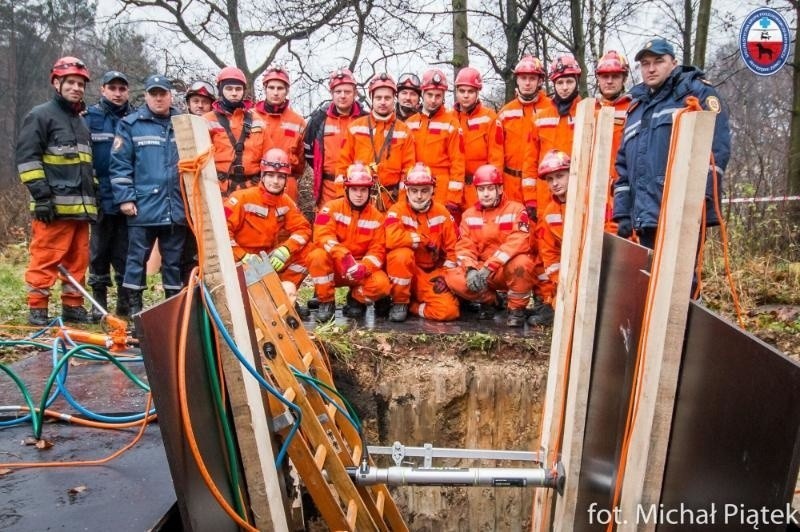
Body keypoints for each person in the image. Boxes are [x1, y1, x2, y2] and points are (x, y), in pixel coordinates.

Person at [613, 38, 731, 249]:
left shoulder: (696, 93)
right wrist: (622, 212)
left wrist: (701, 195)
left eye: (658, 61)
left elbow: (717, 146)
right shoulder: (636, 107)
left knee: (681, 281)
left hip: (683, 210)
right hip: (646, 215)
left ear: (674, 63)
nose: (651, 69)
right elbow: (623, 164)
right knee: (651, 280)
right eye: (645, 64)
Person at [16, 56, 97, 325]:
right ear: (56, 83)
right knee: (46, 256)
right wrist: (41, 196)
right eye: (71, 83)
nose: (76, 88)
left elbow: (85, 166)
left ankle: (73, 306)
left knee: (78, 259)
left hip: (81, 209)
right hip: (53, 207)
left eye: (80, 84)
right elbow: (28, 159)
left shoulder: (80, 122)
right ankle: (37, 307)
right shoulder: (41, 115)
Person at [110, 75, 186, 318]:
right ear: (145, 96)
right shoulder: (131, 124)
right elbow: (120, 164)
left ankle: (173, 313)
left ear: (170, 95)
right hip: (143, 207)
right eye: (153, 94)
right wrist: (125, 198)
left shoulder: (183, 124)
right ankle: (135, 313)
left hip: (175, 206)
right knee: (136, 261)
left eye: (162, 93)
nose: (158, 98)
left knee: (173, 263)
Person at [225, 148, 311, 318]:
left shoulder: (285, 201)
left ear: (286, 179)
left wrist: (285, 250)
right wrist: (242, 256)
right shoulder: (240, 198)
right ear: (263, 175)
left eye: (280, 177)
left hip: (268, 257)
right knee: (253, 303)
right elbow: (222, 233)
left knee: (310, 253)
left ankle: (283, 295)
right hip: (241, 260)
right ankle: (266, 298)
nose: (275, 181)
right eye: (271, 175)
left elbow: (304, 228)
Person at [445, 164, 535, 327]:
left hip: (505, 269)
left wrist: (490, 266)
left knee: (522, 263)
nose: (485, 194)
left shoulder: (516, 209)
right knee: (452, 277)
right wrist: (471, 269)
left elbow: (519, 240)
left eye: (490, 189)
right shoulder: (468, 215)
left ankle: (516, 310)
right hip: (482, 271)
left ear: (500, 189)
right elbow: (465, 247)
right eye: (481, 189)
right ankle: (492, 301)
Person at [308, 163, 391, 322]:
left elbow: (378, 251)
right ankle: (326, 301)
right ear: (346, 189)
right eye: (354, 189)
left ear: (369, 191)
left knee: (382, 285)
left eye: (363, 190)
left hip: (359, 269)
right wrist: (342, 254)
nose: (359, 194)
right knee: (317, 256)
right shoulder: (329, 209)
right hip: (337, 266)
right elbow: (321, 235)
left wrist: (364, 267)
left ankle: (356, 298)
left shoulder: (378, 218)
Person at [84, 70, 135, 320]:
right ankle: (99, 304)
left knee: (126, 252)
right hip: (100, 195)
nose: (117, 93)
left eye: (122, 89)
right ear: (102, 89)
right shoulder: (89, 117)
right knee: (99, 251)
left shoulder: (136, 118)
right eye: (112, 88)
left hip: (127, 196)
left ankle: (125, 303)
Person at [384, 163, 459, 322]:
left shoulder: (442, 213)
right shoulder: (396, 211)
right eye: (414, 191)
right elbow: (390, 239)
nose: (419, 196)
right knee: (401, 255)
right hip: (405, 271)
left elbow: (453, 251)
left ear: (433, 190)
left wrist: (445, 277)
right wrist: (420, 239)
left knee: (448, 311)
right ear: (407, 190)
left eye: (424, 191)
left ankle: (413, 307)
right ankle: (400, 302)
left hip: (431, 275)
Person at [338, 73, 415, 211]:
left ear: (394, 99)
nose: (383, 102)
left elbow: (408, 170)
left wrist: (403, 203)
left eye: (387, 98)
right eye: (378, 98)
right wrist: (343, 197)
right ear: (371, 99)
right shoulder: (355, 128)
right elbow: (343, 165)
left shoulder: (404, 131)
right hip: (360, 198)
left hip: (393, 200)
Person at [525, 54, 583, 222]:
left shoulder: (589, 114)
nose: (564, 87)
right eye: (559, 83)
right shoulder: (539, 119)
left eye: (569, 82)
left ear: (577, 81)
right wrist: (530, 198)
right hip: (546, 193)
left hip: (578, 193)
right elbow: (530, 162)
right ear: (553, 84)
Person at [490, 55, 551, 206]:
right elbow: (496, 153)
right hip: (511, 182)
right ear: (517, 80)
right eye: (523, 78)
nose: (527, 83)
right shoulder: (505, 113)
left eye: (532, 78)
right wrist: (496, 183)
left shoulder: (551, 108)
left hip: (543, 181)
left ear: (540, 81)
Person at [406, 68, 466, 219]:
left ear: (444, 97)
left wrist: (453, 198)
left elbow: (458, 163)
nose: (433, 100)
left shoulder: (452, 123)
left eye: (438, 96)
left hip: (442, 187)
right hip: (416, 185)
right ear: (422, 94)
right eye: (430, 95)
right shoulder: (410, 124)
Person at [304, 68, 367, 208]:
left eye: (347, 92)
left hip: (360, 187)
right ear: (331, 93)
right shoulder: (318, 120)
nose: (343, 96)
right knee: (326, 226)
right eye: (338, 92)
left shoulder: (366, 119)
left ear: (355, 93)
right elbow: (309, 152)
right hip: (328, 187)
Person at [204, 66, 265, 197]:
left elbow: (268, 155)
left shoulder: (257, 120)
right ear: (221, 90)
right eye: (229, 88)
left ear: (243, 91)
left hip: (252, 190)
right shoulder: (207, 121)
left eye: (238, 89)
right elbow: (199, 162)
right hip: (219, 191)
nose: (234, 93)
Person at [529, 150, 572, 326]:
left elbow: (610, 233)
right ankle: (551, 303)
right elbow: (550, 255)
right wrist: (560, 283)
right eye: (550, 179)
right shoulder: (550, 213)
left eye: (560, 176)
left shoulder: (590, 201)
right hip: (566, 275)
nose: (555, 183)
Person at [254, 65, 306, 202]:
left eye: (280, 88)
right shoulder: (251, 117)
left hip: (287, 182)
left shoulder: (298, 121)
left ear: (287, 91)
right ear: (264, 89)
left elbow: (301, 160)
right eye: (271, 88)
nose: (275, 93)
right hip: (255, 181)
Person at [594, 51, 632, 233]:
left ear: (623, 78)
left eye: (615, 76)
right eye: (605, 76)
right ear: (598, 79)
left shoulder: (634, 109)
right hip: (593, 187)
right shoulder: (589, 110)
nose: (609, 81)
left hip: (622, 187)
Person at [453, 67, 498, 209]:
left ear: (478, 92)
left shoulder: (489, 118)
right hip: (454, 186)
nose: (466, 96)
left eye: (470, 91)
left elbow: (496, 157)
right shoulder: (449, 119)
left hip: (480, 186)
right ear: (456, 91)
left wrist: (492, 188)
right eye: (462, 91)